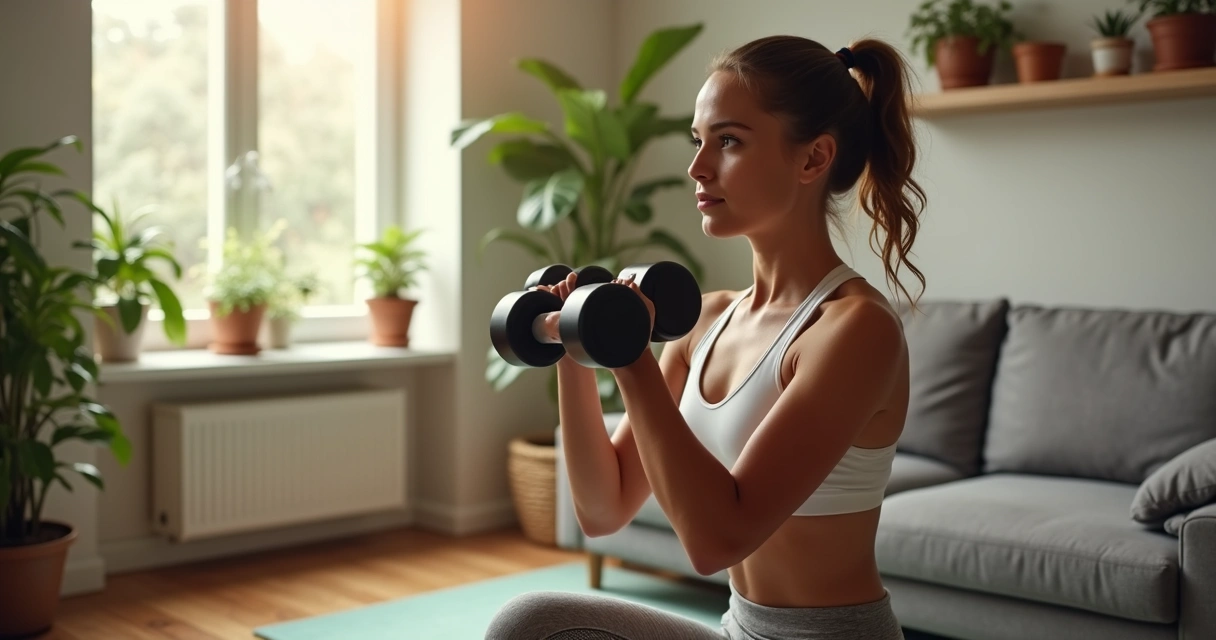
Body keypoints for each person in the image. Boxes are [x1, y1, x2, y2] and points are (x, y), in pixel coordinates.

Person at [486, 33, 926, 640]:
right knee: (532, 623)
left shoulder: (854, 330)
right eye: (698, 141)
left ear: (812, 159)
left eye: (729, 141)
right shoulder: (708, 321)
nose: (697, 167)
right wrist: (572, 341)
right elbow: (602, 507)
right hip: (738, 630)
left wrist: (632, 359)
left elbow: (715, 541)